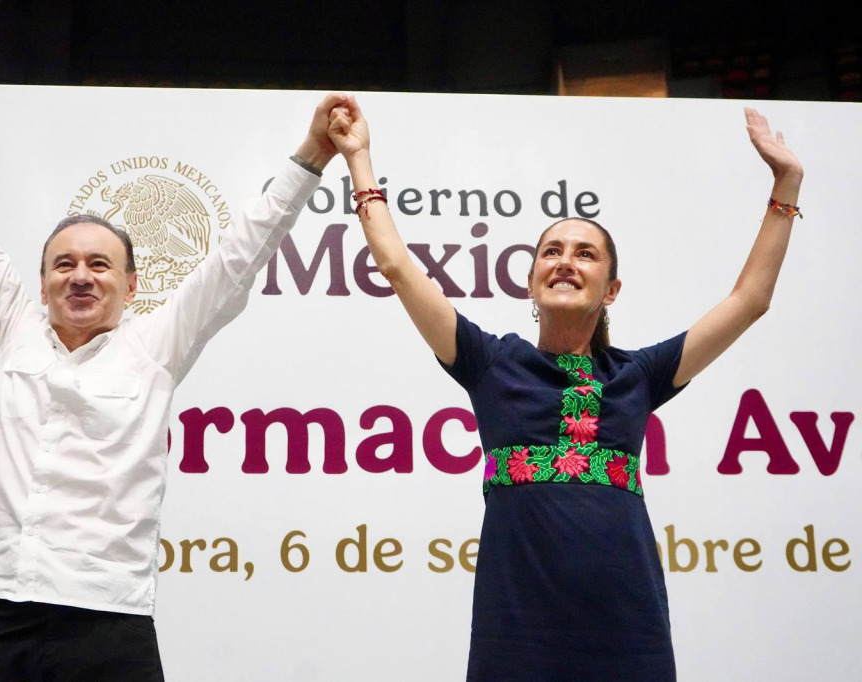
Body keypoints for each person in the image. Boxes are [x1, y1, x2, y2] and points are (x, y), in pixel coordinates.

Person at [0, 48, 346, 681]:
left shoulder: (155, 348)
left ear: (132, 286)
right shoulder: (8, 330)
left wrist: (313, 154)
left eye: (99, 265)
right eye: (64, 264)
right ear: (43, 282)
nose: (80, 276)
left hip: (107, 623)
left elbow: (239, 256)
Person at [327, 97, 803, 680]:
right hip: (517, 632)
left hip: (628, 630)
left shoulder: (639, 375)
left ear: (611, 289)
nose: (565, 262)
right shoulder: (490, 363)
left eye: (585, 254)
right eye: (551, 252)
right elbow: (399, 269)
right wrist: (359, 159)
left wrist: (786, 183)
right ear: (531, 283)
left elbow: (750, 300)